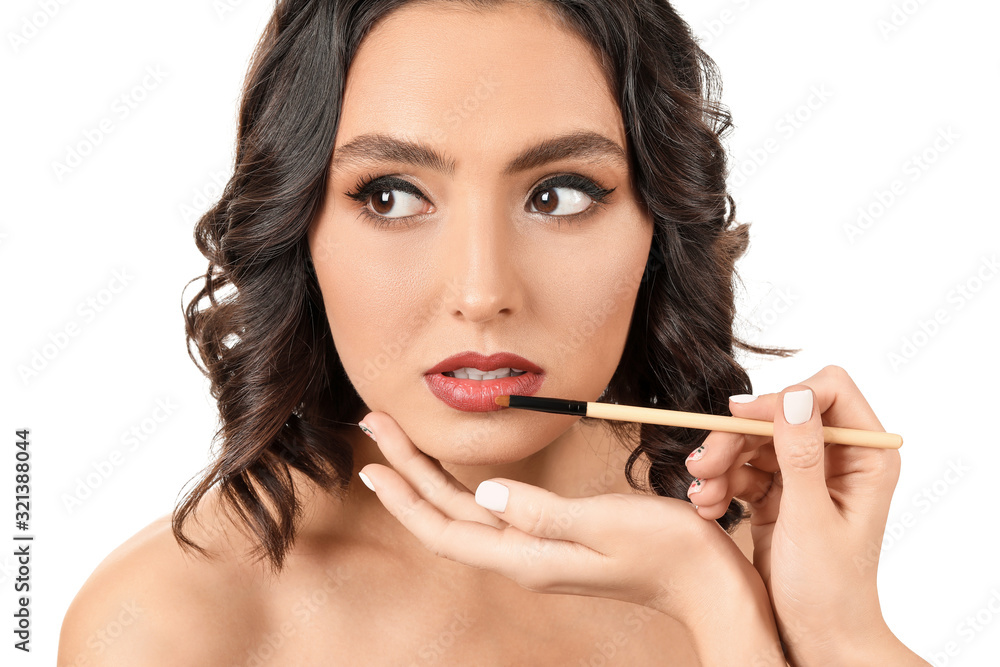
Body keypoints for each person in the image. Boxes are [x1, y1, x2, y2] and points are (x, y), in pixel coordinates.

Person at [57, 0, 928, 664]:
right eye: (392, 195)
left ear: (660, 225)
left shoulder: (780, 550)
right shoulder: (173, 622)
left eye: (558, 195)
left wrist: (832, 630)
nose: (482, 293)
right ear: (299, 226)